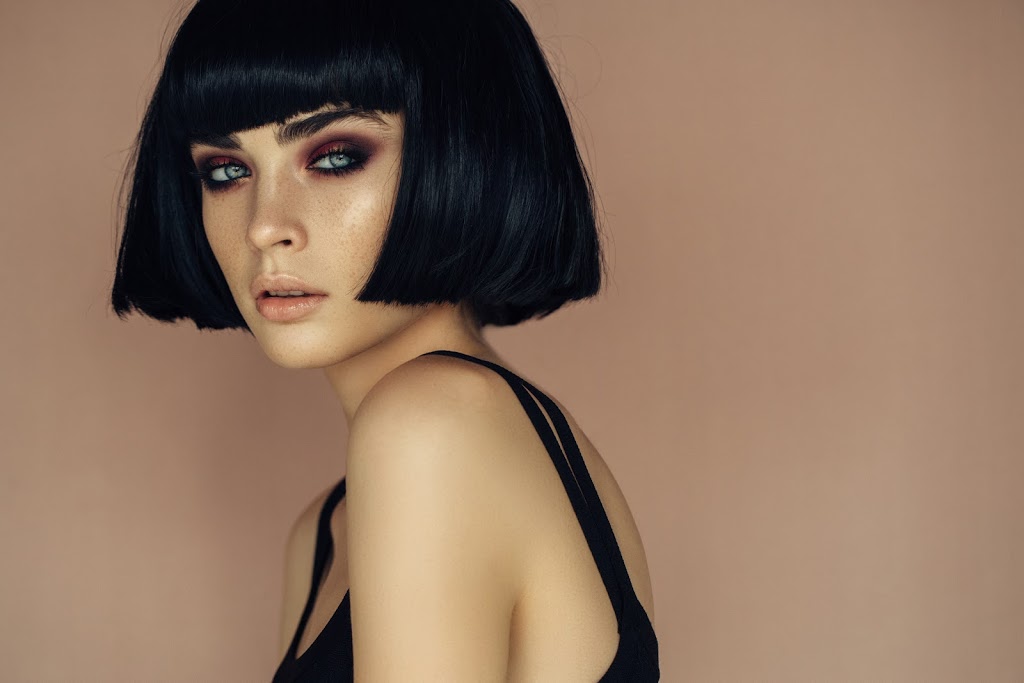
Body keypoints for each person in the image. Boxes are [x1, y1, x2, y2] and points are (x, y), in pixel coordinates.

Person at [110, 0, 659, 679]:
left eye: (335, 157)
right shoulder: (323, 531)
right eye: (225, 170)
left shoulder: (433, 425)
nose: (263, 226)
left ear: (465, 153)